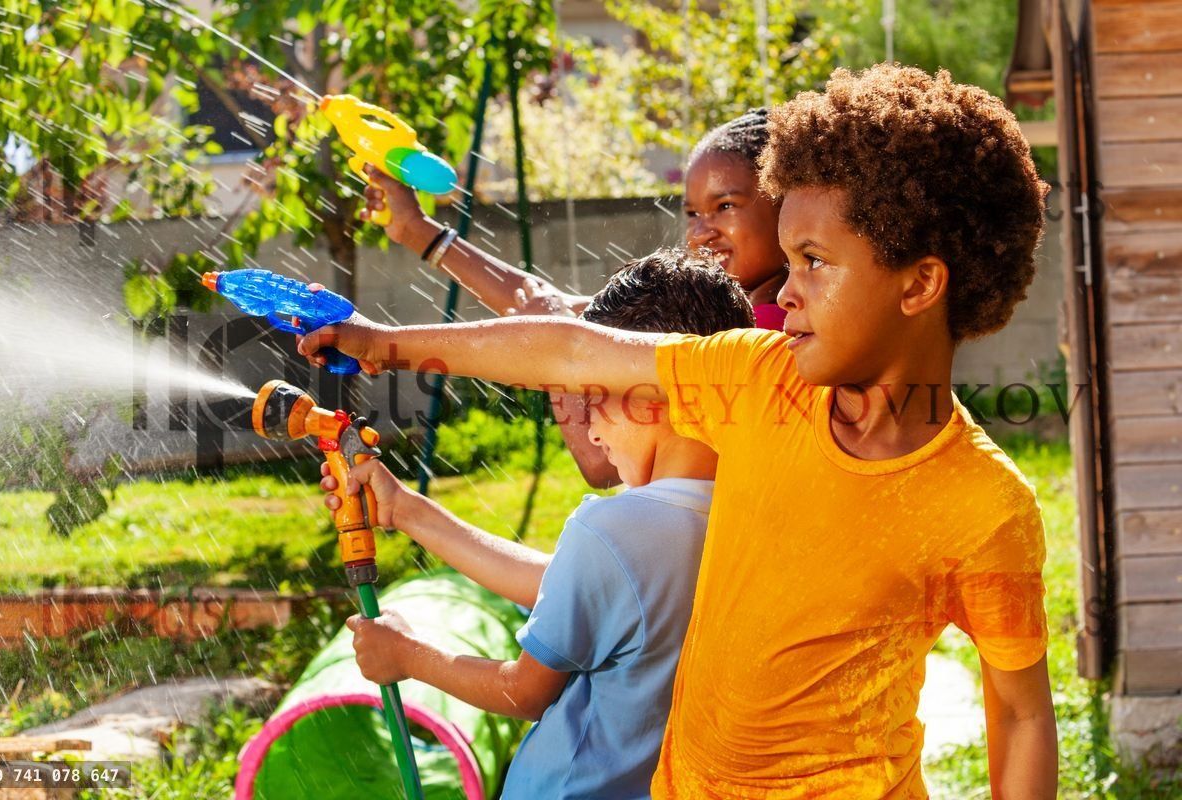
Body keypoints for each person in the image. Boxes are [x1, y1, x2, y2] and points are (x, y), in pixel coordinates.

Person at [302, 64, 1058, 798]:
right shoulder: (760, 380)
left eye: (815, 262)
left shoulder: (987, 508)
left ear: (920, 284)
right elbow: (571, 346)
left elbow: (1021, 713)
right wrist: (377, 342)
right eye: (789, 259)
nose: (785, 293)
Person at [325, 249, 756, 799]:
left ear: (650, 395)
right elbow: (574, 587)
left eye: (592, 399)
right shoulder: (745, 513)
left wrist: (407, 655)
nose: (592, 432)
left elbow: (523, 693)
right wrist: (407, 509)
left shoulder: (614, 530)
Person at [363, 109, 788, 488]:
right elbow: (544, 305)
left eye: (725, 205)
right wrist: (417, 231)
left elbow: (599, 463)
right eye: (692, 213)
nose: (700, 232)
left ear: (786, 205)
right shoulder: (712, 309)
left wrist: (556, 352)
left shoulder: (770, 333)